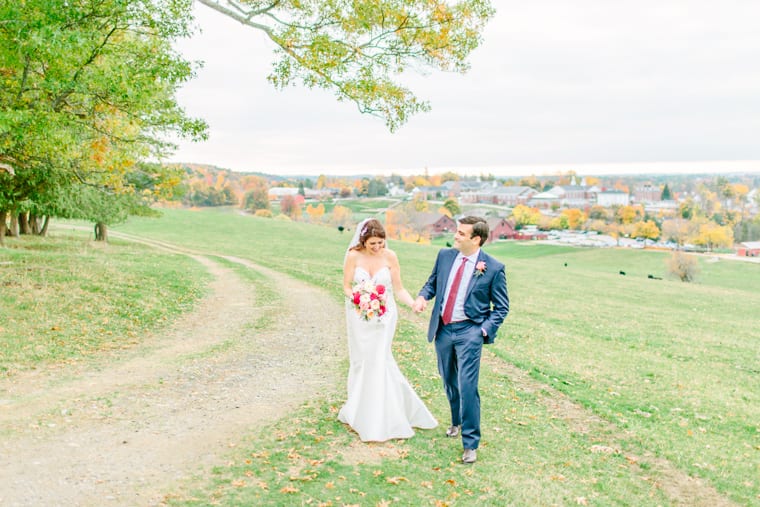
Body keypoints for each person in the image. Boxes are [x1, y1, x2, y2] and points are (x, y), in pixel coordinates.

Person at [413, 216, 509, 464]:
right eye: (456, 232)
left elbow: (501, 307)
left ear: (476, 239)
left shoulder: (494, 268)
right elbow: (432, 283)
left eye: (461, 234)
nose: (455, 236)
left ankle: (470, 443)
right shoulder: (445, 256)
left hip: (470, 332)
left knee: (467, 386)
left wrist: (482, 331)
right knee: (449, 381)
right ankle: (455, 421)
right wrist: (423, 297)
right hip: (443, 330)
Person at [339, 218, 438, 441]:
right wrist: (359, 298)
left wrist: (413, 303)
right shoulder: (353, 256)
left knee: (379, 359)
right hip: (360, 315)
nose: (377, 248)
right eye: (373, 243)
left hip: (385, 316)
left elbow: (399, 289)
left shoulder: (390, 256)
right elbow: (346, 286)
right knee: (362, 360)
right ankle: (359, 408)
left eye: (381, 243)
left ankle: (382, 414)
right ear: (363, 241)